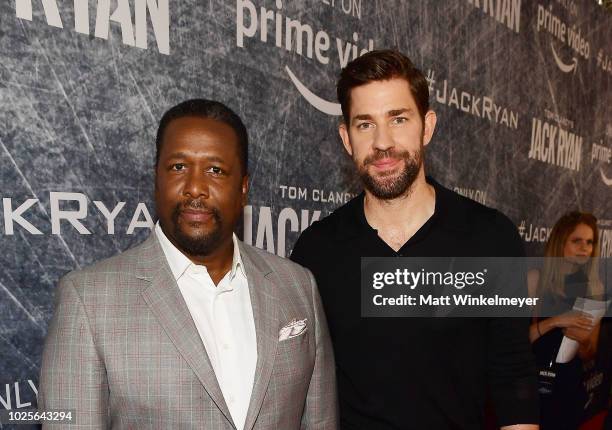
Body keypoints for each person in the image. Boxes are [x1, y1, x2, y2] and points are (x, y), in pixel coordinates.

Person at [39, 99, 338, 429]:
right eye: (179, 167)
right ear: (157, 178)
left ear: (242, 188)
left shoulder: (297, 285)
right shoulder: (88, 299)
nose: (195, 187)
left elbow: (320, 421)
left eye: (215, 170)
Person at [290, 50, 539, 429]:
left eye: (398, 119)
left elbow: (514, 378)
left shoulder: (490, 238)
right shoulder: (316, 251)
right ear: (346, 138)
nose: (382, 143)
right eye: (365, 125)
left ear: (427, 126)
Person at [528, 212, 604, 430]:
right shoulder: (536, 280)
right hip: (531, 387)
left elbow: (590, 352)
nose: (584, 248)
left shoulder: (593, 288)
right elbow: (514, 341)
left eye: (589, 242)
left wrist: (582, 343)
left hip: (568, 389)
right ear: (561, 242)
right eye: (577, 241)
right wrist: (555, 322)